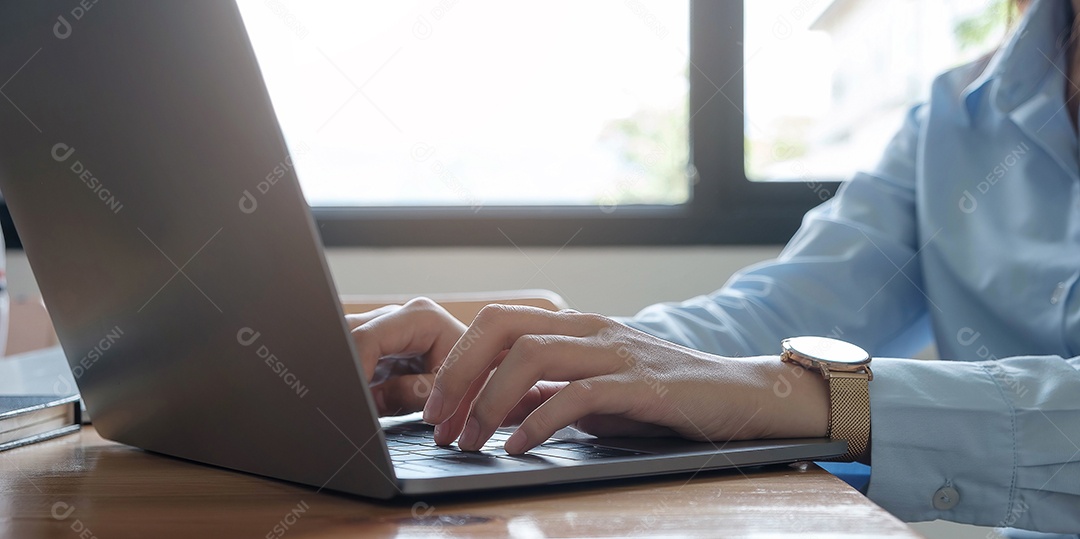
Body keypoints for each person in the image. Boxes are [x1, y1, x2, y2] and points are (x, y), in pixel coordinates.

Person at [346, 0, 1079, 534]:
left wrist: (798, 392)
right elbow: (780, 308)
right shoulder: (957, 114)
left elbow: (767, 370)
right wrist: (565, 355)